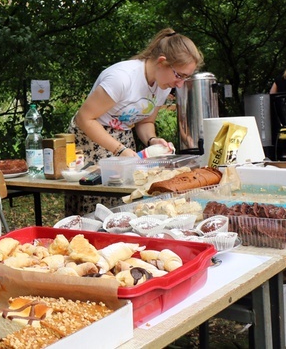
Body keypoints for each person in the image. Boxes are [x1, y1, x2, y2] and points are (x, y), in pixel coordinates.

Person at [65, 28, 203, 215]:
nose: (179, 84)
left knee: (124, 204)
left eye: (185, 77)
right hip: (91, 140)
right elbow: (84, 118)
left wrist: (152, 141)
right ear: (162, 62)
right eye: (179, 75)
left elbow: (145, 123)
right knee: (95, 206)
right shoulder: (122, 78)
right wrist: (120, 150)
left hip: (122, 141)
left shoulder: (162, 86)